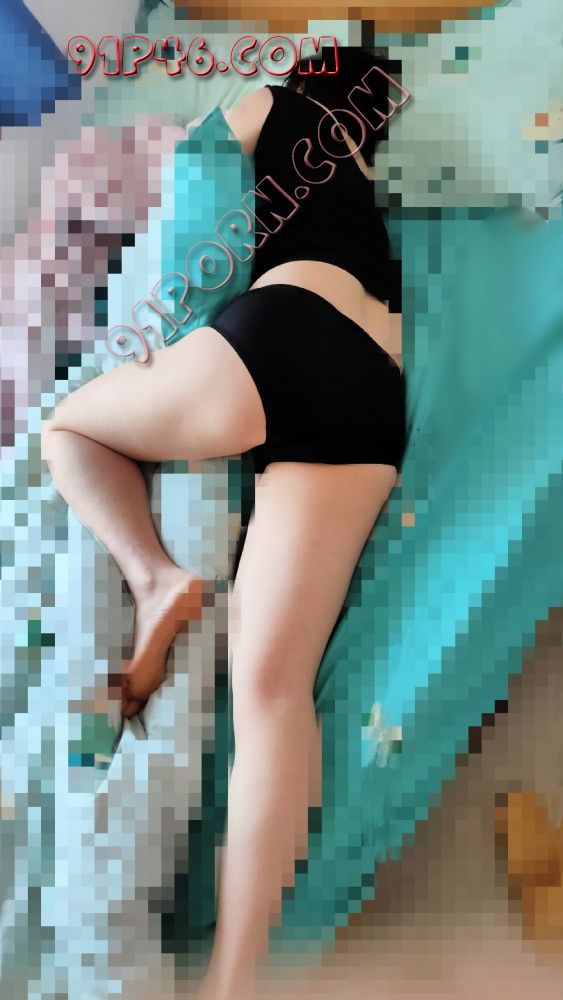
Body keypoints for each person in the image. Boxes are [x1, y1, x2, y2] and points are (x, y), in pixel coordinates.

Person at [41, 46, 408, 1000]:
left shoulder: (276, 105)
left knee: (68, 429)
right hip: (371, 389)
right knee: (273, 693)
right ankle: (233, 978)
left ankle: (155, 575)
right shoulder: (370, 201)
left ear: (312, 78)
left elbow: (196, 171)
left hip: (280, 329)